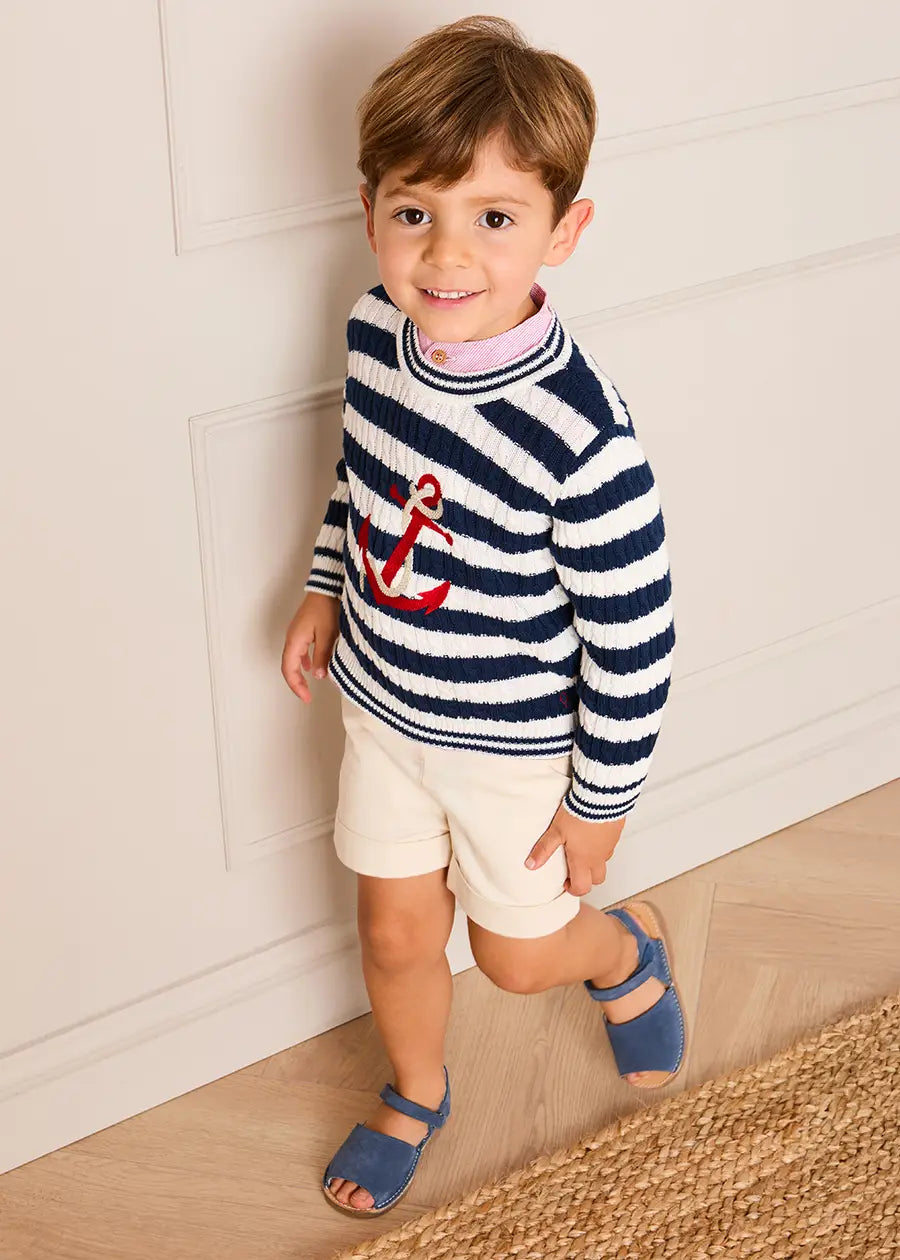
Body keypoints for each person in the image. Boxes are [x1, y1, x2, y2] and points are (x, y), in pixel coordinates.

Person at [281, 15, 685, 1218]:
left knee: (514, 957)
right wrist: (322, 584)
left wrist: (600, 801)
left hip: (514, 755)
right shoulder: (375, 335)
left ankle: (624, 952)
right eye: (417, 212)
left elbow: (636, 638)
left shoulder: (579, 434)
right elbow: (362, 484)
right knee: (397, 935)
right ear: (371, 212)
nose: (447, 254)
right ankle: (416, 1090)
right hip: (383, 715)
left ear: (565, 231)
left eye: (494, 218)